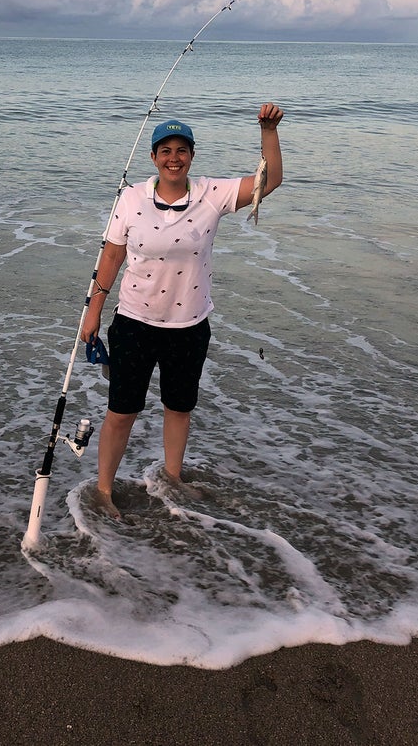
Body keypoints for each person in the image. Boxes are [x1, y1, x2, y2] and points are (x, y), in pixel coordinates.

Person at [80, 103, 284, 517]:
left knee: (179, 408)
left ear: (191, 156)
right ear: (154, 157)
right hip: (134, 323)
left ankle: (172, 478)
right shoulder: (131, 198)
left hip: (189, 325)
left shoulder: (212, 194)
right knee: (122, 412)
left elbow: (270, 180)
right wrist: (93, 310)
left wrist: (268, 132)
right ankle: (104, 490)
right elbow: (112, 256)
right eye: (166, 150)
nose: (174, 158)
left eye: (182, 150)